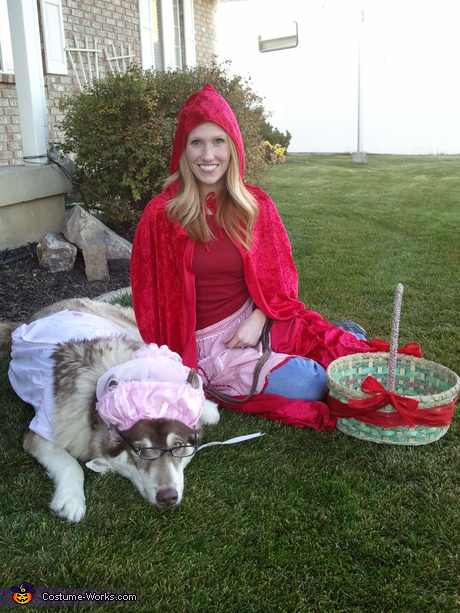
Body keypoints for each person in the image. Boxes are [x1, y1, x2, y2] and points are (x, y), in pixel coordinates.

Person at [130, 84, 376, 430]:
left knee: (344, 350)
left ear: (233, 147)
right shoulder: (161, 216)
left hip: (256, 319)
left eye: (218, 141)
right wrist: (180, 364)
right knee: (315, 383)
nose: (208, 155)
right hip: (211, 347)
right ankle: (337, 334)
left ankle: (339, 334)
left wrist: (257, 319)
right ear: (182, 151)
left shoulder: (254, 205)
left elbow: (281, 279)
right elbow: (149, 298)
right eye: (196, 142)